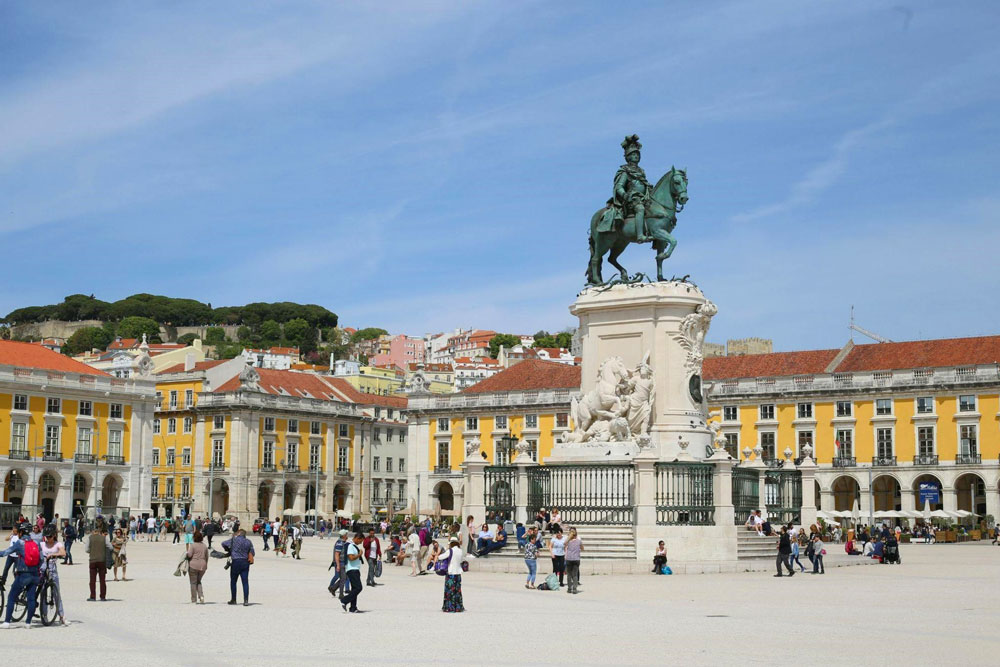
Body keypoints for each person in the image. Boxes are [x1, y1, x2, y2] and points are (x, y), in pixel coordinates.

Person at [0, 524, 41, 628]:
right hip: (35, 574)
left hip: (23, 574)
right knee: (31, 599)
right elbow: (41, 559)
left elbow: (6, 552)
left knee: (11, 597)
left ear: (21, 532)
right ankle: (28, 623)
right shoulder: (36, 543)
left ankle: (7, 622)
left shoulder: (20, 543)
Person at [40, 524, 68, 625]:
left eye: (50, 536)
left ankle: (61, 616)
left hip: (52, 570)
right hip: (42, 570)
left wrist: (53, 554)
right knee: (43, 593)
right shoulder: (42, 544)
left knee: (56, 593)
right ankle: (44, 615)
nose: (48, 538)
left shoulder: (58, 544)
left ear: (54, 535)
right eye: (46, 536)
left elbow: (63, 553)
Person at [221, 529, 254, 606]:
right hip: (245, 562)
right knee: (245, 582)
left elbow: (223, 543)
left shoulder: (234, 540)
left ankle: (233, 599)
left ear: (239, 533)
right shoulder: (248, 541)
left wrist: (229, 550)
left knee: (233, 581)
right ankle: (246, 600)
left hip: (235, 561)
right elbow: (253, 552)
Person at [85, 520, 113, 601]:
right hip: (102, 560)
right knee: (102, 580)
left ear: (93, 531)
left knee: (92, 580)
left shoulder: (90, 538)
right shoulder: (104, 538)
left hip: (93, 560)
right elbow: (111, 547)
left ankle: (92, 596)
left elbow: (86, 549)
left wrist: (92, 551)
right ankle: (102, 596)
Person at [339, 532, 364, 613]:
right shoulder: (350, 546)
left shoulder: (352, 545)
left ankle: (353, 608)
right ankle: (344, 600)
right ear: (357, 538)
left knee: (354, 589)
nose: (361, 543)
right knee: (358, 588)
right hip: (352, 570)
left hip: (355, 569)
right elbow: (351, 558)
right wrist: (359, 554)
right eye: (360, 541)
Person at [441, 534, 465, 613]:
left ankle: (449, 607)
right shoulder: (460, 551)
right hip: (458, 572)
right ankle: (458, 607)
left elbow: (441, 557)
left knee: (449, 591)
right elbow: (461, 561)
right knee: (457, 590)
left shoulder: (450, 551)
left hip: (451, 572)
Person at [185, 531, 209, 604]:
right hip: (203, 565)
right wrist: (205, 564)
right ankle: (201, 596)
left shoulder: (193, 545)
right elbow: (207, 556)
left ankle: (194, 599)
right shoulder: (204, 546)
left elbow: (189, 555)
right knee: (198, 581)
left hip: (193, 565)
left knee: (193, 583)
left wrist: (186, 554)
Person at [328, 530, 351, 598]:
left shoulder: (343, 542)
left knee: (344, 578)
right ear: (344, 535)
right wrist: (338, 565)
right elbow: (337, 554)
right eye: (346, 534)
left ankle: (333, 588)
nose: (347, 535)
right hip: (340, 562)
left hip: (343, 562)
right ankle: (340, 594)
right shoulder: (340, 543)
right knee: (343, 578)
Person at [565, 527, 583, 594]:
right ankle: (575, 588)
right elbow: (582, 548)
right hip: (576, 559)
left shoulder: (568, 541)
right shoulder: (579, 541)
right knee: (575, 575)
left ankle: (569, 588)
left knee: (569, 575)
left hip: (569, 558)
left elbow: (564, 544)